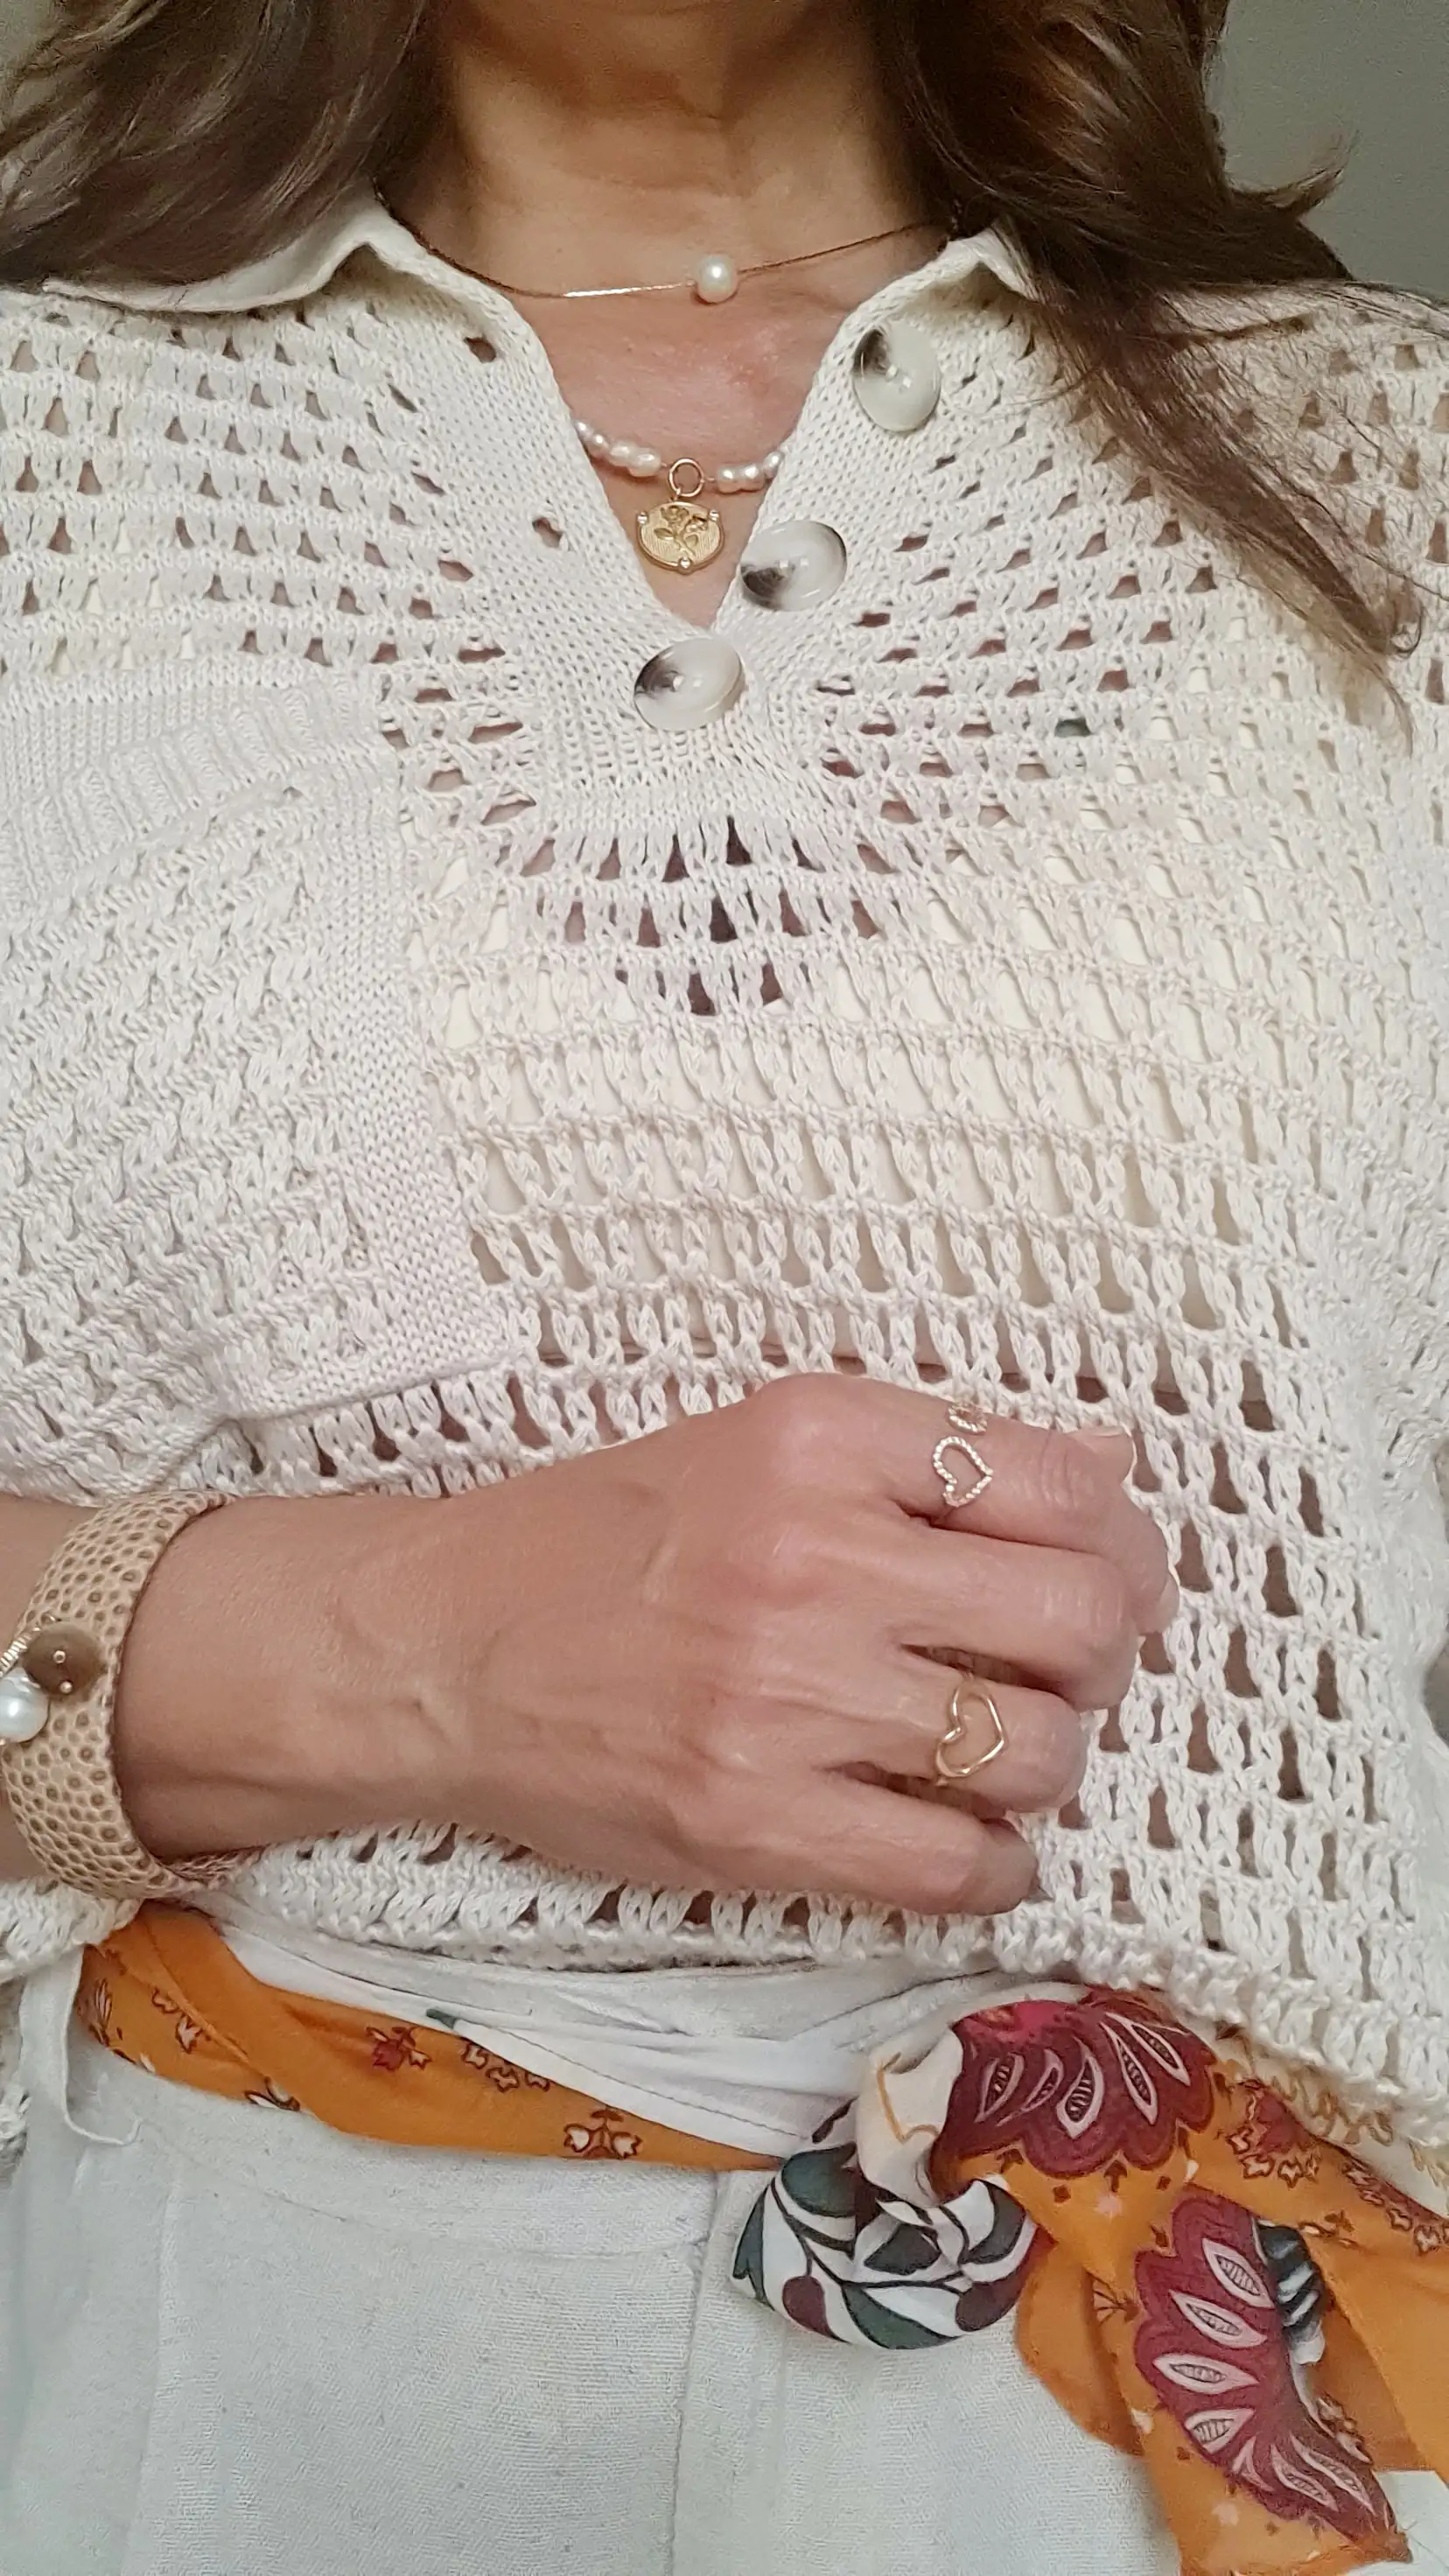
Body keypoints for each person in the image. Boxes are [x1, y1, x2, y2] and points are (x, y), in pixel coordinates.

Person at [0, 0, 1446, 2566]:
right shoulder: (41, 451)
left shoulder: (1389, 463)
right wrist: (395, 1653)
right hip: (231, 2364)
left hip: (1210, 2407)